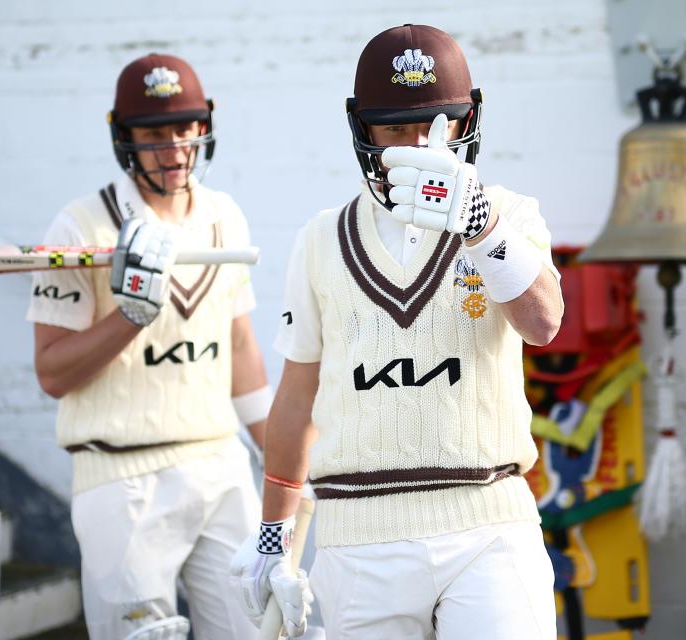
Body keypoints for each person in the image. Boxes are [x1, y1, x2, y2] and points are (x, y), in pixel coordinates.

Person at [229, 24, 563, 639]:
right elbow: (296, 398)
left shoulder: (508, 213)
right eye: (395, 129)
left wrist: (481, 226)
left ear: (468, 120)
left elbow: (543, 324)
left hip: (489, 525)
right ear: (362, 128)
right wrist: (275, 538)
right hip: (359, 538)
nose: (417, 147)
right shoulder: (320, 240)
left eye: (436, 125)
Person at [28, 53, 271, 640]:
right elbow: (52, 373)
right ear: (124, 138)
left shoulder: (225, 217)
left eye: (186, 129)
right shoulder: (80, 228)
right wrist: (131, 316)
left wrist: (285, 460)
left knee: (256, 630)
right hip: (122, 477)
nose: (175, 148)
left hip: (221, 464)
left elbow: (239, 347)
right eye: (155, 134)